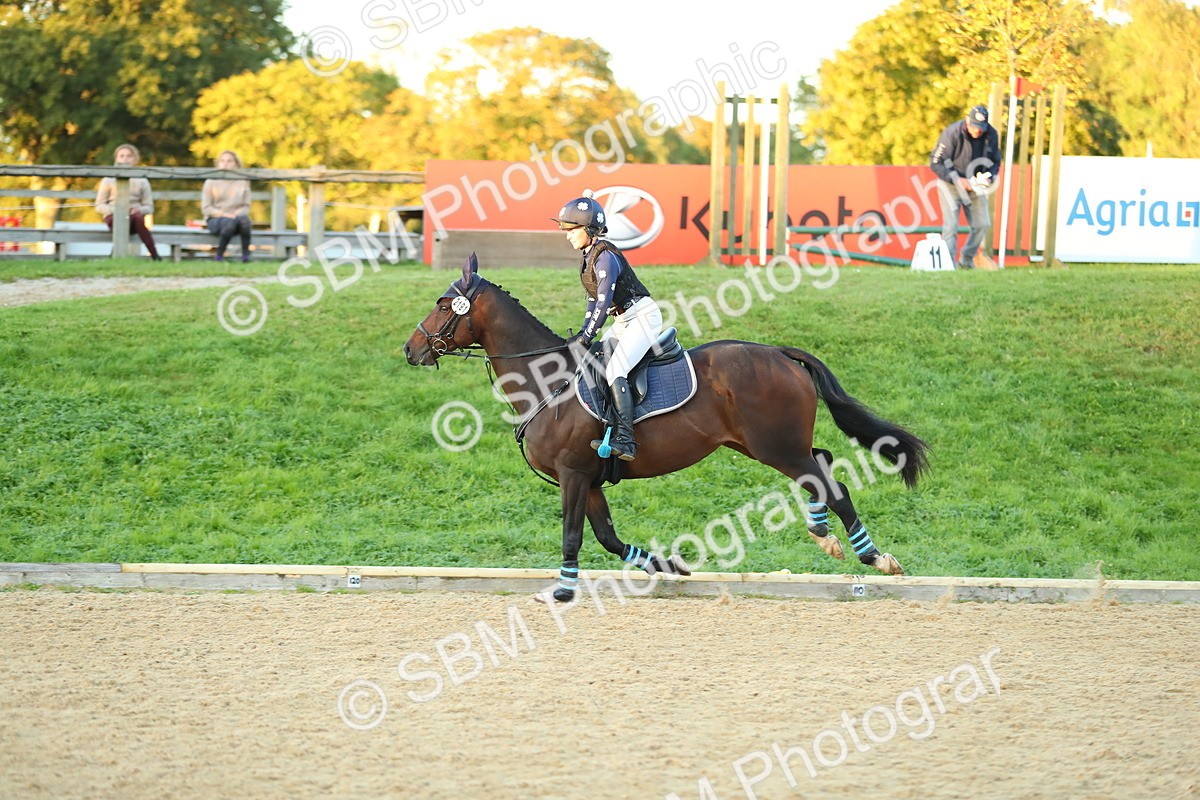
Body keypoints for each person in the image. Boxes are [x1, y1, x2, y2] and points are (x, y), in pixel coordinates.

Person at [552, 190, 662, 462]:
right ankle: (609, 426)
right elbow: (593, 302)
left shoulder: (605, 257)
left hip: (642, 317)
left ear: (589, 229)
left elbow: (603, 303)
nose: (567, 234)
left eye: (572, 229)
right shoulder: (590, 257)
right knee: (597, 360)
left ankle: (626, 440)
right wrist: (583, 333)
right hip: (624, 319)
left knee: (616, 369)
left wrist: (588, 335)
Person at [930, 104, 1002, 269]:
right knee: (950, 226)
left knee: (982, 224)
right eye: (975, 127)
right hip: (950, 185)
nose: (978, 131)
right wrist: (956, 179)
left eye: (981, 128)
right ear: (968, 121)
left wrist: (989, 177)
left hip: (976, 186)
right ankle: (948, 265)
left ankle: (966, 260)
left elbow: (996, 161)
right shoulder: (952, 133)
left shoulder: (991, 134)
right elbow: (935, 162)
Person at [94, 143, 161, 261]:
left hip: (135, 218)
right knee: (126, 219)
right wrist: (117, 211)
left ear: (135, 159)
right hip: (113, 217)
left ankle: (152, 255)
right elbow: (99, 205)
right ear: (116, 159)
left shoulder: (142, 180)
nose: (125, 158)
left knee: (137, 219)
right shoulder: (108, 180)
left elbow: (149, 207)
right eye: (122, 156)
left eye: (129, 156)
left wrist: (138, 210)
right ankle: (155, 256)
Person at [201, 150, 253, 262]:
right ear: (218, 163)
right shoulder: (211, 181)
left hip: (237, 217)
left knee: (246, 221)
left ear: (236, 164)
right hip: (216, 218)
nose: (225, 164)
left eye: (229, 161)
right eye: (222, 161)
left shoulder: (243, 181)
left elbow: (246, 206)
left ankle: (245, 256)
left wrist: (235, 214)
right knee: (230, 223)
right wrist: (225, 215)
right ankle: (219, 255)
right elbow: (206, 208)